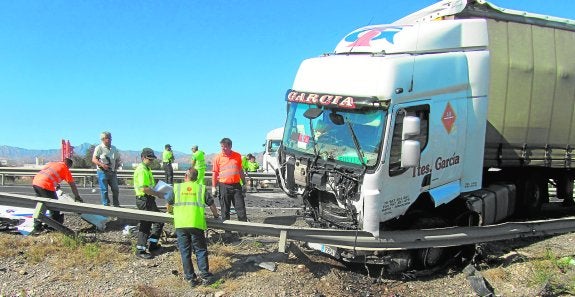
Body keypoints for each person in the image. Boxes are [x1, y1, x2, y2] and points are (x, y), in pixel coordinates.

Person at [167, 168, 219, 287]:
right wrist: (216, 216)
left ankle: (191, 279)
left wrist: (170, 212)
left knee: (185, 252)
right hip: (196, 224)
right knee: (200, 250)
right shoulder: (201, 188)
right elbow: (211, 204)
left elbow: (169, 204)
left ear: (186, 176)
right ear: (196, 178)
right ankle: (205, 276)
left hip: (181, 224)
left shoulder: (177, 188)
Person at [133, 148, 165, 259]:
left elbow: (149, 186)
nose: (151, 161)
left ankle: (153, 245)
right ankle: (140, 250)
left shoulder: (147, 169)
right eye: (149, 159)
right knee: (146, 224)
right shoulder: (142, 170)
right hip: (144, 200)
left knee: (159, 221)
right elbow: (144, 188)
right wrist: (157, 193)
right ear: (143, 158)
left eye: (152, 160)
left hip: (149, 200)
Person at [32, 158, 82, 227]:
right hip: (45, 185)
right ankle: (53, 225)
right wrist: (77, 196)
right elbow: (72, 185)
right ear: (69, 165)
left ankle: (37, 225)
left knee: (41, 204)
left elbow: (49, 174)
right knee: (54, 206)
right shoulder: (65, 169)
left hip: (36, 182)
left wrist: (55, 184)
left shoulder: (53, 163)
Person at [212, 138, 248, 222]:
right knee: (225, 209)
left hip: (236, 186)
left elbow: (240, 170)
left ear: (230, 146)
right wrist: (214, 187)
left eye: (225, 147)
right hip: (224, 186)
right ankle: (227, 232)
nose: (223, 149)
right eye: (222, 147)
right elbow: (215, 173)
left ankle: (244, 230)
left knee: (241, 208)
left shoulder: (237, 156)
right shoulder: (218, 158)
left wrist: (244, 183)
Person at [92, 131, 121, 207]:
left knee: (115, 189)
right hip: (102, 172)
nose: (110, 140)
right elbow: (94, 159)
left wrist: (116, 166)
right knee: (104, 190)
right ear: (103, 139)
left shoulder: (113, 148)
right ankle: (106, 205)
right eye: (108, 138)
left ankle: (116, 204)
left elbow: (117, 158)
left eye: (110, 138)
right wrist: (102, 165)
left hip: (112, 171)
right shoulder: (99, 148)